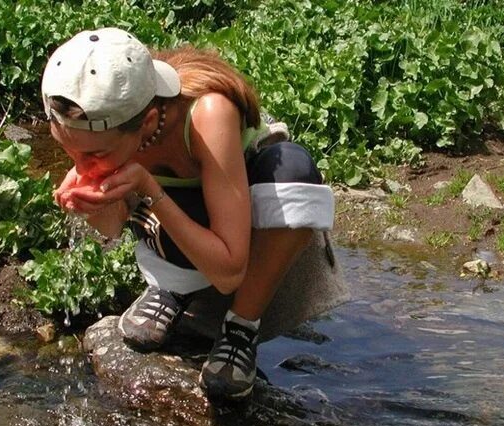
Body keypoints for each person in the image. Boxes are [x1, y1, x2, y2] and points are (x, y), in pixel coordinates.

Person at [41, 27, 336, 400]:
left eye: (93, 155)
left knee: (292, 167)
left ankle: (240, 328)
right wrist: (90, 203)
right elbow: (113, 227)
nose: (81, 166)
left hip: (244, 246)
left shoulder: (207, 113)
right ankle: (171, 289)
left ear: (147, 122)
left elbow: (229, 272)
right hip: (189, 238)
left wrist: (149, 189)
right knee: (148, 191)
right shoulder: (111, 124)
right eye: (68, 150)